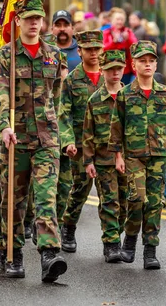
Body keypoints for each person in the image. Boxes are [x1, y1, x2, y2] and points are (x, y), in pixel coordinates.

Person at [0, 0, 68, 282]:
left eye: (39, 18)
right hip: (16, 138)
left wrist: (54, 125)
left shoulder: (54, 55)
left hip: (46, 138)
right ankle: (12, 253)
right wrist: (3, 126)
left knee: (47, 197)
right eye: (29, 18)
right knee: (14, 200)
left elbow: (56, 95)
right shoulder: (5, 55)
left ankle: (49, 255)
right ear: (18, 21)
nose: (34, 23)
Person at [108, 40, 166, 270]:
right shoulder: (126, 94)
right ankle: (129, 240)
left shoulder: (165, 93)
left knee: (155, 203)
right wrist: (117, 155)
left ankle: (150, 250)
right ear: (134, 64)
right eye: (142, 61)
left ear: (156, 64)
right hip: (134, 155)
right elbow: (116, 126)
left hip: (158, 154)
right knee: (136, 199)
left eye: (151, 61)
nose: (147, 65)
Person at [59, 30, 105, 253]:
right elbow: (64, 114)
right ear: (80, 51)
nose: (94, 53)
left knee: (111, 194)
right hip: (80, 145)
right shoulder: (71, 80)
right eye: (89, 49)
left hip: (106, 145)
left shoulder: (110, 77)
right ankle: (68, 226)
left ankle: (112, 240)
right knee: (80, 189)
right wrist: (67, 141)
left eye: (97, 49)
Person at [83, 49, 127, 263]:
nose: (115, 73)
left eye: (119, 68)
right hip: (103, 159)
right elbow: (88, 133)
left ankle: (117, 235)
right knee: (110, 201)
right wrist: (88, 161)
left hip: (128, 159)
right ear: (102, 71)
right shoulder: (95, 99)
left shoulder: (130, 96)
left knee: (127, 202)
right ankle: (111, 243)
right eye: (110, 70)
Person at [103, 10, 138, 85]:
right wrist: (114, 42)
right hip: (109, 67)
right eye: (117, 19)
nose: (120, 22)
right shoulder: (106, 33)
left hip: (126, 69)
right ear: (112, 20)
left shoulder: (128, 32)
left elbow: (135, 47)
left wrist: (127, 39)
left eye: (122, 19)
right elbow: (102, 49)